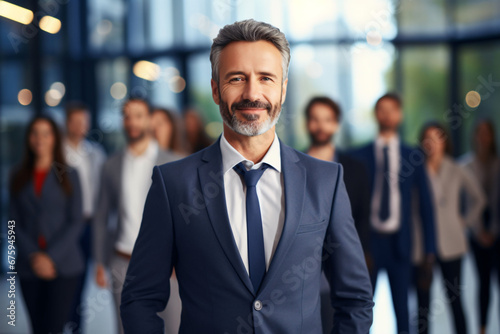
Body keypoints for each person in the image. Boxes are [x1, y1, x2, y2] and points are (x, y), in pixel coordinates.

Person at [121, 19, 373, 334]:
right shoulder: (173, 184)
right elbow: (140, 298)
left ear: (282, 88)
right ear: (215, 89)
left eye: (266, 78)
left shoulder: (326, 180)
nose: (252, 93)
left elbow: (355, 299)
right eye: (236, 78)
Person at [92, 98, 182, 334]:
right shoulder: (110, 164)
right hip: (123, 261)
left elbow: (185, 217)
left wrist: (182, 258)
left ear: (150, 119)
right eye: (127, 116)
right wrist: (100, 262)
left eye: (138, 115)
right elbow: (101, 215)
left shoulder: (173, 162)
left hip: (166, 263)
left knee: (174, 328)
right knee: (126, 329)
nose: (132, 122)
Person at [351, 93, 436, 333]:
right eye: (382, 109)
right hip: (369, 244)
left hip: (401, 243)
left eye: (392, 109)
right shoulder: (358, 156)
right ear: (376, 114)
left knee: (403, 311)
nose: (387, 114)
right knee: (362, 308)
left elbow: (426, 207)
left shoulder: (414, 156)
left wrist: (430, 251)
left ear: (400, 115)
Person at [9, 115, 83, 334]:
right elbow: (12, 223)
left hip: (64, 265)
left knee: (55, 327)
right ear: (28, 138)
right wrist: (34, 256)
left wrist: (50, 257)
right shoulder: (17, 175)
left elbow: (76, 221)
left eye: (46, 133)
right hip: (27, 265)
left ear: (55, 138)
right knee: (37, 328)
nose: (39, 138)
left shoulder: (70, 174)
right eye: (34, 133)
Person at [304, 96, 371, 333]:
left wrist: (361, 257)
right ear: (307, 123)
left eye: (327, 120)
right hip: (302, 271)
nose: (320, 126)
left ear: (336, 124)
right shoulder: (292, 166)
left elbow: (363, 217)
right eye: (315, 119)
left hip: (344, 263)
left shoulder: (355, 167)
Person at [413, 122, 486, 334]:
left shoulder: (456, 168)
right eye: (428, 138)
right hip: (422, 245)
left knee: (455, 300)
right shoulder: (416, 170)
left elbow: (479, 199)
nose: (432, 143)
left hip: (452, 244)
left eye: (438, 138)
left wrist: (463, 222)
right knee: (422, 303)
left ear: (445, 142)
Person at [63, 101, 106, 332]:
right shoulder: (58, 155)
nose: (82, 126)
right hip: (66, 226)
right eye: (77, 121)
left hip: (90, 224)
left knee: (83, 280)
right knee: (69, 279)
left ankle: (76, 326)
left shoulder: (95, 153)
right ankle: (67, 321)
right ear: (68, 123)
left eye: (85, 121)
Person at [460, 119, 500, 334]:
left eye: (487, 132)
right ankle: (482, 328)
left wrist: (493, 231)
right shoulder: (465, 166)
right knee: (483, 283)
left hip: (498, 234)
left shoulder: (498, 164)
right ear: (474, 136)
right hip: (476, 235)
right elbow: (465, 204)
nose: (483, 137)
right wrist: (477, 231)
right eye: (480, 132)